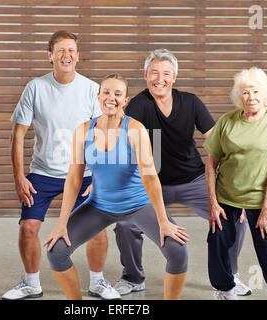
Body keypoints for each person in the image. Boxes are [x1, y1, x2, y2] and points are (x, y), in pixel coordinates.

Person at [113, 49, 251, 296]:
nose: (160, 78)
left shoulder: (190, 102)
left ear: (174, 77)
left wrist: (234, 192)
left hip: (193, 179)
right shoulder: (138, 105)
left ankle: (228, 277)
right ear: (145, 75)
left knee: (234, 218)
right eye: (154, 72)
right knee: (125, 224)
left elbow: (219, 145)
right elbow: (126, 152)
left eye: (166, 73)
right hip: (153, 182)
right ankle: (132, 277)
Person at [44, 74, 189, 300]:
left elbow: (150, 178)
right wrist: (62, 223)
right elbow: (73, 179)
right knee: (56, 251)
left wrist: (163, 222)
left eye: (118, 94)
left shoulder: (135, 130)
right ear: (98, 96)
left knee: (177, 251)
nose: (111, 98)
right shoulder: (83, 130)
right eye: (106, 92)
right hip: (99, 205)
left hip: (138, 204)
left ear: (126, 100)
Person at [2, 31, 119, 300]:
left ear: (78, 56)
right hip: (42, 172)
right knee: (28, 227)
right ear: (50, 56)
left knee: (98, 230)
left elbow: (105, 135)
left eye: (71, 50)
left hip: (85, 173)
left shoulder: (92, 89)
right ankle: (31, 283)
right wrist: (19, 177)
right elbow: (17, 134)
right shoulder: (35, 87)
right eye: (60, 50)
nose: (66, 55)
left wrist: (101, 179)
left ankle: (98, 282)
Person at [203, 67, 267, 300]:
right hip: (227, 194)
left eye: (256, 91)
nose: (251, 97)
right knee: (217, 239)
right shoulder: (227, 121)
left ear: (265, 93)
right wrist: (213, 203)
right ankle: (225, 287)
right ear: (239, 96)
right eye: (245, 93)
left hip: (262, 198)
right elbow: (210, 164)